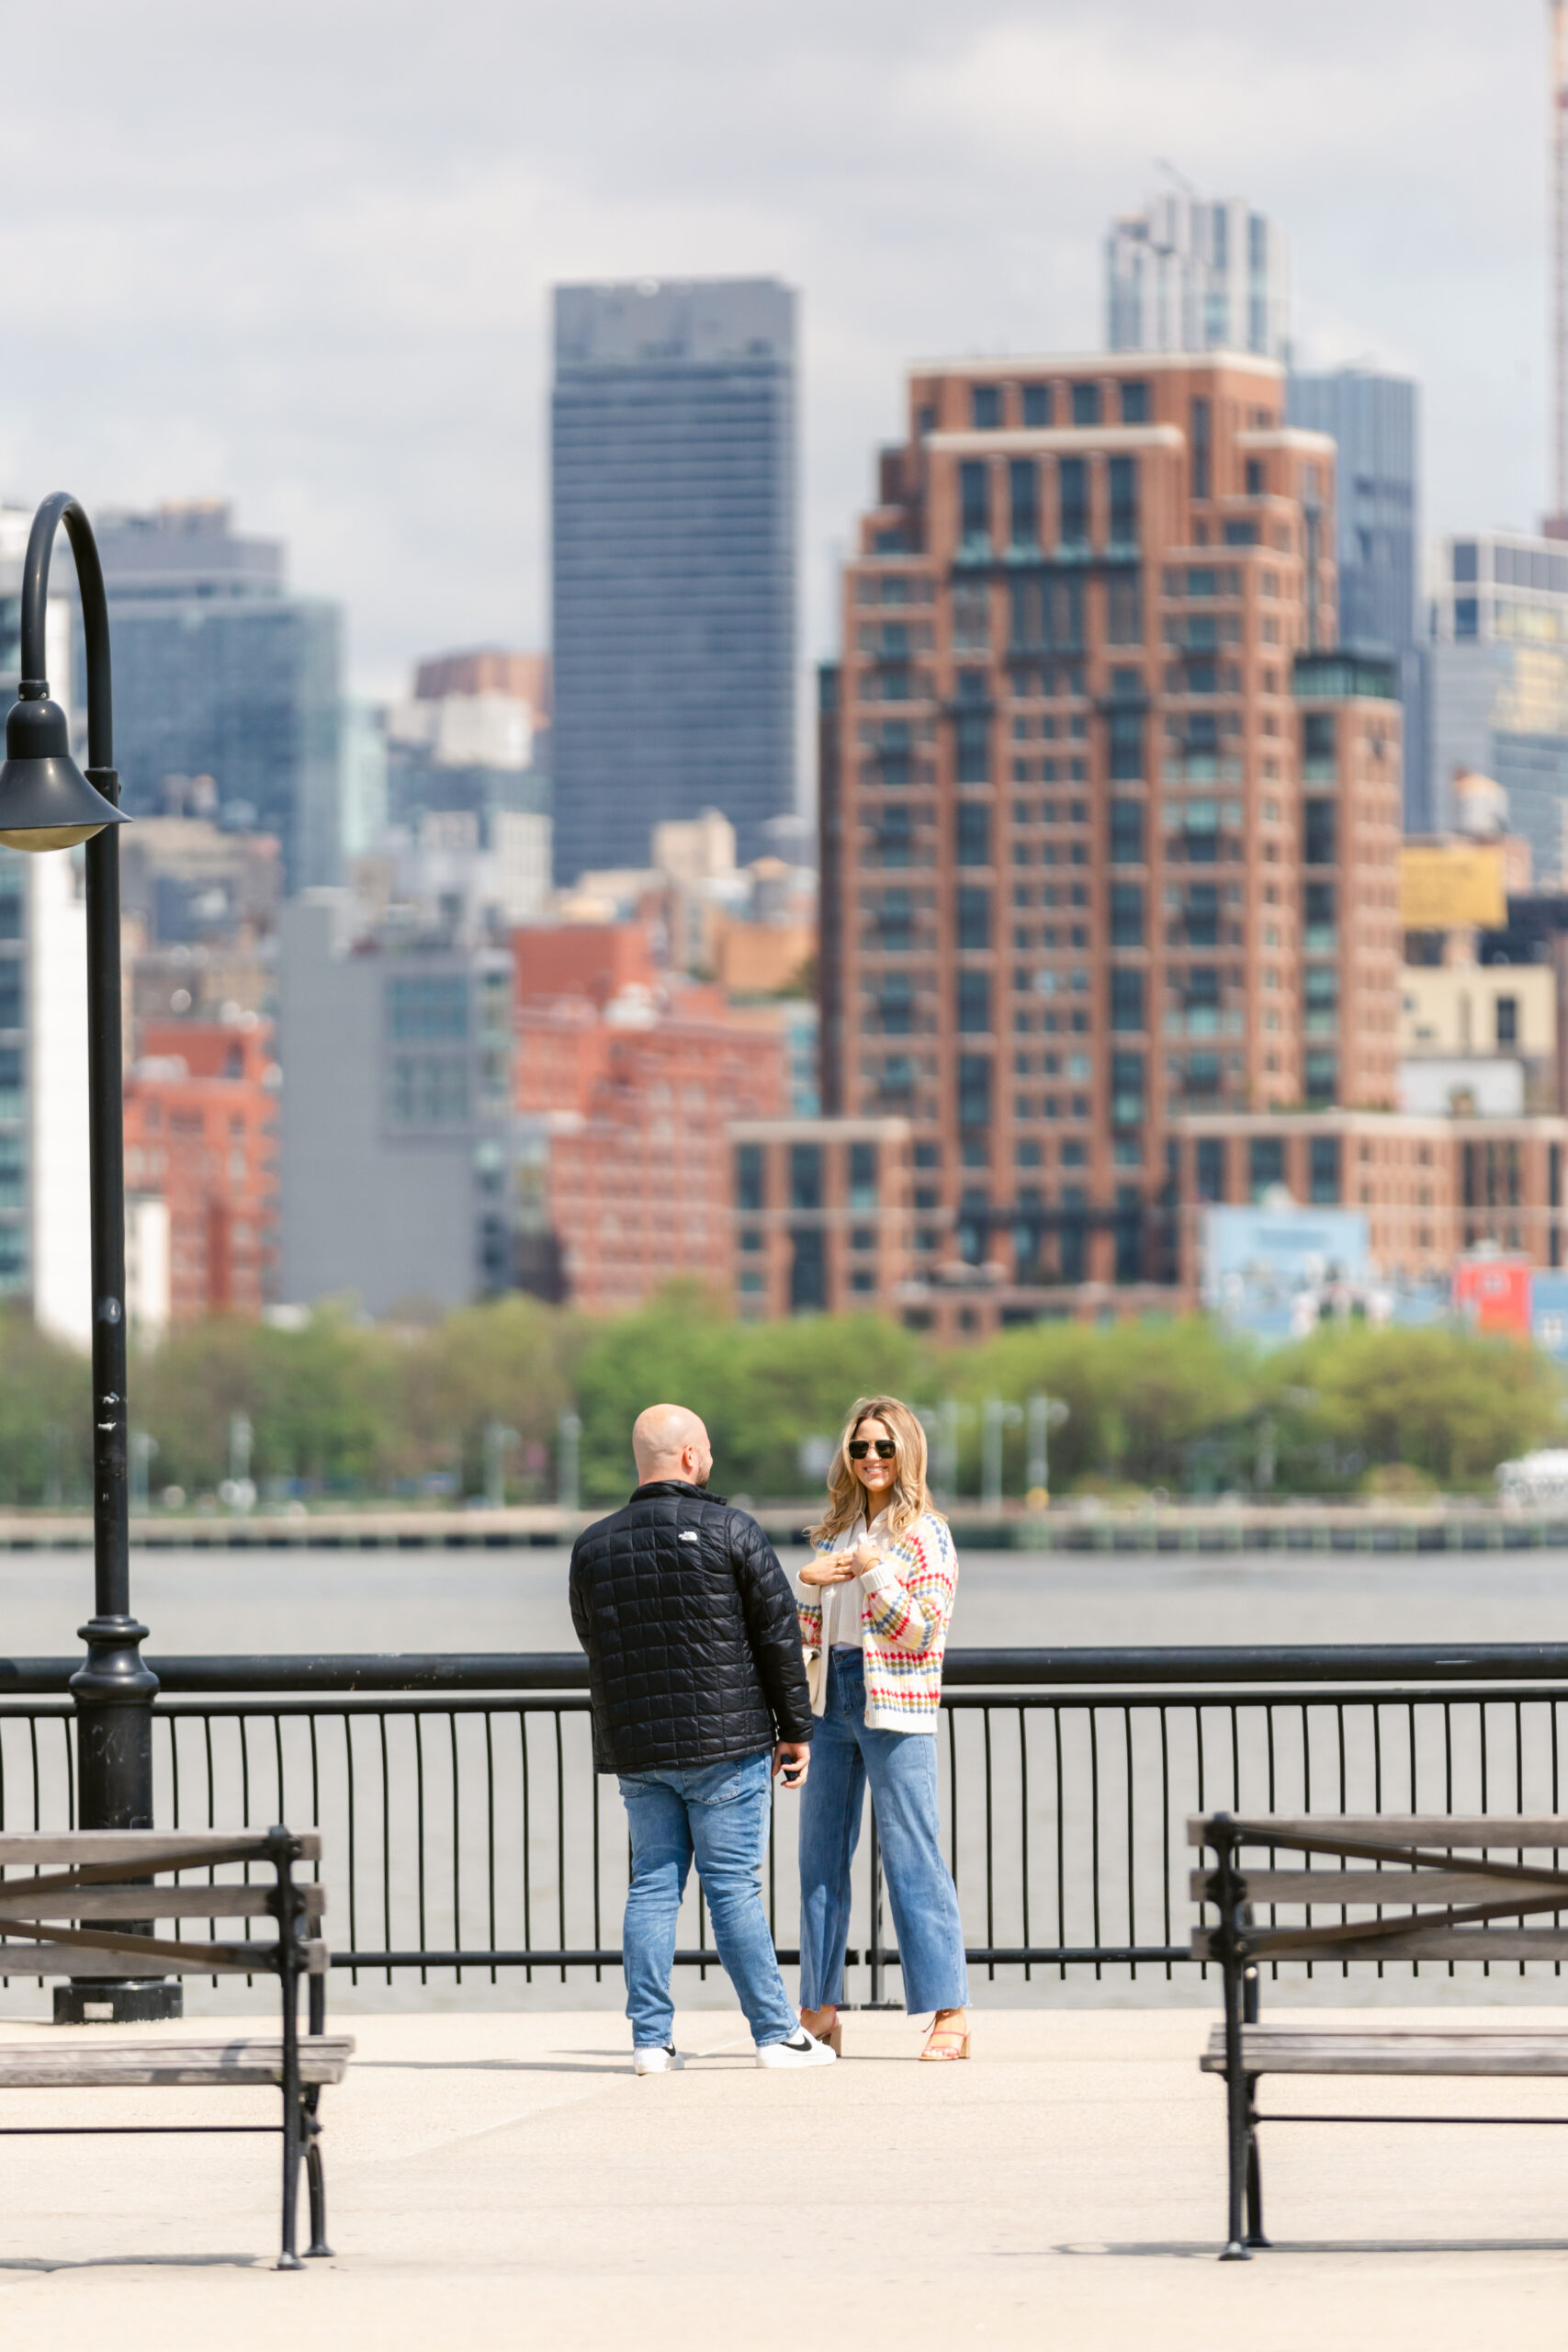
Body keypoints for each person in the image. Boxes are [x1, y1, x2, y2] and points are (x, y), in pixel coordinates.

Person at [569, 1401, 836, 2074]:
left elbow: (590, 1635)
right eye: (707, 1449)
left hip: (640, 1748)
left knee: (653, 1886)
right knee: (733, 1887)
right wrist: (794, 1730)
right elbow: (778, 1638)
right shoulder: (732, 1530)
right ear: (690, 1457)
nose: (710, 1459)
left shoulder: (593, 1545)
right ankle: (776, 2035)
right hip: (727, 1743)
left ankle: (649, 2042)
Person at [795, 1394, 970, 2061]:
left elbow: (922, 1630)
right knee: (819, 1861)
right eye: (860, 1447)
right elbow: (810, 1635)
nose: (871, 1458)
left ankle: (949, 2013)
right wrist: (807, 1585)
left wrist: (875, 1576)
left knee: (911, 1856)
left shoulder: (924, 1534)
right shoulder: (836, 1531)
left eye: (884, 1447)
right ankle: (817, 2011)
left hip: (895, 1699)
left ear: (907, 1454)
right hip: (831, 1697)